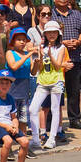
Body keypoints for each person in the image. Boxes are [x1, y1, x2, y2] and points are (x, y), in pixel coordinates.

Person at [48, 0, 81, 132]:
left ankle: (74, 119)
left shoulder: (77, 14)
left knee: (74, 90)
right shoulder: (51, 15)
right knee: (53, 89)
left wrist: (78, 41)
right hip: (56, 59)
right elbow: (46, 35)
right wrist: (62, 43)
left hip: (74, 57)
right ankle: (51, 121)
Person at [29, 20, 70, 149]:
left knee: (54, 108)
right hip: (42, 80)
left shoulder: (62, 47)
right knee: (32, 108)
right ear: (45, 34)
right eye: (49, 32)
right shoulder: (41, 47)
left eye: (54, 32)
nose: (51, 35)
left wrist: (51, 55)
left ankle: (51, 138)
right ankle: (36, 138)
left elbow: (58, 65)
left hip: (56, 81)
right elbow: (38, 69)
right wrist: (38, 61)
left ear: (58, 34)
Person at [3, 27, 40, 141]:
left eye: (24, 40)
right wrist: (27, 55)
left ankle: (23, 144)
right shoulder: (10, 53)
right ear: (13, 41)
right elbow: (14, 66)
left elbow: (33, 72)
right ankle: (8, 144)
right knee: (10, 120)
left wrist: (37, 63)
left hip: (24, 93)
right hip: (11, 93)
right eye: (19, 39)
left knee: (23, 120)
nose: (22, 42)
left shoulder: (26, 56)